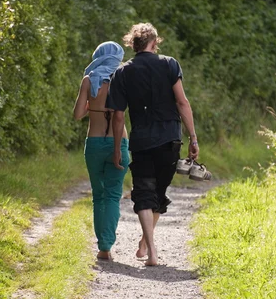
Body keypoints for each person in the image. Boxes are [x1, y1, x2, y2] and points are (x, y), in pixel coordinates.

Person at [108, 23, 199, 266]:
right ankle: (149, 246)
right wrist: (193, 137)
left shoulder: (122, 72)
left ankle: (149, 246)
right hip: (170, 138)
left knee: (144, 193)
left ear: (133, 44)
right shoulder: (169, 64)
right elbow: (182, 103)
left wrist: (117, 147)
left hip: (142, 141)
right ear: (154, 43)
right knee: (157, 193)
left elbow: (118, 116)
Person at [73, 41, 130, 261]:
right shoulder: (123, 78)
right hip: (120, 142)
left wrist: (91, 104)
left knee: (98, 195)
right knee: (113, 195)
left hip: (95, 143)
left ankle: (103, 247)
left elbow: (78, 114)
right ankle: (107, 244)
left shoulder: (88, 80)